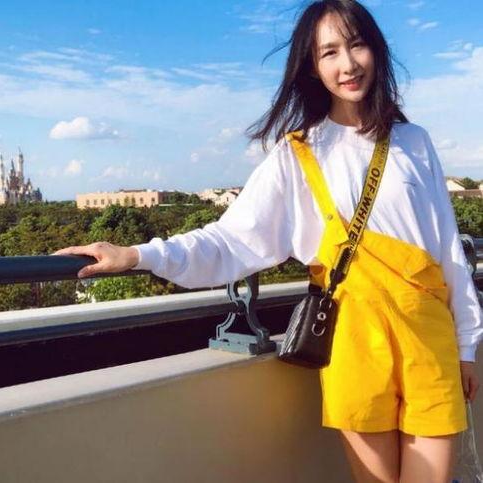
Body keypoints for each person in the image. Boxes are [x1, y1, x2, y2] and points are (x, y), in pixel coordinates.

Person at [53, 1, 482, 481]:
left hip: (429, 336)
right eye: (330, 52)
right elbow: (231, 241)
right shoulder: (298, 153)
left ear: (376, 51)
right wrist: (139, 254)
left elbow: (449, 251)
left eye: (357, 45)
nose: (347, 64)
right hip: (355, 338)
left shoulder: (414, 141)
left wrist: (467, 346)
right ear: (312, 67)